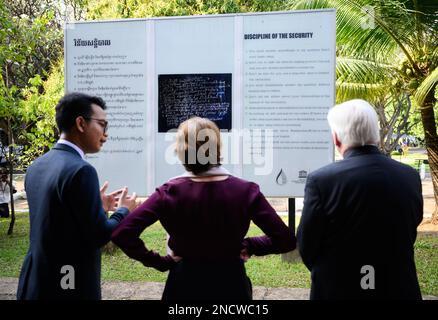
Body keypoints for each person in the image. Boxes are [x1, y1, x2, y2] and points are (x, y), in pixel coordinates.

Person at [112, 117, 296, 300]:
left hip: (183, 284)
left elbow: (122, 233)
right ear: (217, 149)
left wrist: (160, 262)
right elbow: (285, 239)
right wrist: (250, 245)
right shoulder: (246, 191)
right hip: (231, 284)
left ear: (181, 151)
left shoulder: (168, 192)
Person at [297, 99, 423, 300]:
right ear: (376, 134)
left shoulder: (322, 181)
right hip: (398, 288)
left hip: (338, 289)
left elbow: (307, 246)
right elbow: (410, 228)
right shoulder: (409, 175)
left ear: (336, 138)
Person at [17, 92, 138, 300]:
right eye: (102, 125)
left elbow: (59, 220)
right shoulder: (82, 171)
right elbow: (99, 235)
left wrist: (96, 207)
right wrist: (123, 211)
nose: (106, 134)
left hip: (34, 281)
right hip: (68, 284)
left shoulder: (36, 166)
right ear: (81, 123)